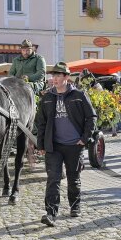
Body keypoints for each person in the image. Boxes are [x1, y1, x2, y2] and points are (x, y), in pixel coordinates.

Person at [37, 62, 97, 227]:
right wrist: (41, 144)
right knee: (53, 179)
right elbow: (40, 122)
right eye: (53, 76)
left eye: (58, 75)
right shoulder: (47, 97)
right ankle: (51, 213)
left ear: (66, 77)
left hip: (74, 145)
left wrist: (84, 139)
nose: (54, 79)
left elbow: (91, 117)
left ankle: (75, 205)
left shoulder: (79, 95)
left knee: (73, 178)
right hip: (54, 146)